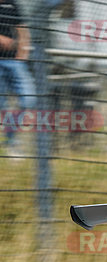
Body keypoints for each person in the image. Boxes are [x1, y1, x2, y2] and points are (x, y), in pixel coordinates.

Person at [0, 0, 35, 158]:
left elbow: (22, 30)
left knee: (28, 100)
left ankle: (10, 139)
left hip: (14, 62)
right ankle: (11, 145)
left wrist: (22, 56)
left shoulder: (13, 5)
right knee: (2, 106)